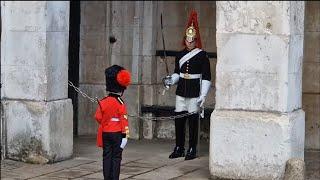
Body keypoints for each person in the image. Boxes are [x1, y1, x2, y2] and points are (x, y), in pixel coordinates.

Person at [163, 10, 212, 161]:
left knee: (192, 121)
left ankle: (192, 148)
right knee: (179, 119)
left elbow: (206, 78)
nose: (189, 42)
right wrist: (171, 79)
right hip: (181, 90)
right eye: (187, 40)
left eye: (192, 40)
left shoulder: (202, 55)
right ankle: (179, 147)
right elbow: (178, 73)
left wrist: (203, 95)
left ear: (195, 40)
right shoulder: (180, 55)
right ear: (184, 40)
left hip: (194, 91)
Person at [94, 65, 131, 180]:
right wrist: (125, 136)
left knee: (106, 157)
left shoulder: (103, 102)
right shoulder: (120, 103)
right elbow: (124, 121)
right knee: (116, 158)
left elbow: (98, 117)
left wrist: (106, 123)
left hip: (106, 132)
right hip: (117, 133)